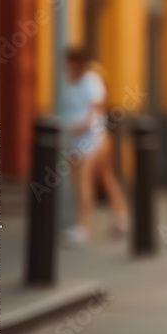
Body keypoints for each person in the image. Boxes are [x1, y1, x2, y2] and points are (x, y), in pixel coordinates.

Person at [62, 46, 129, 247]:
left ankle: (82, 227)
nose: (69, 67)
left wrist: (82, 126)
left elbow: (96, 109)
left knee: (84, 181)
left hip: (93, 138)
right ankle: (121, 216)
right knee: (104, 178)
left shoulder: (90, 81)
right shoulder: (69, 82)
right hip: (77, 139)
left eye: (72, 64)